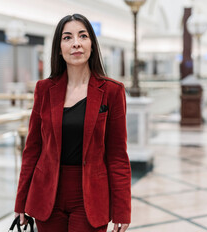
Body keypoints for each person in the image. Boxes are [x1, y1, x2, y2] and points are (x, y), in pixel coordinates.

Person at [14, 14, 131, 232]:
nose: (76, 43)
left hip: (90, 197)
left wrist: (122, 209)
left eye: (82, 36)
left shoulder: (112, 91)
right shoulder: (44, 89)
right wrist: (20, 201)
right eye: (67, 37)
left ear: (92, 45)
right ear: (59, 48)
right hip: (47, 196)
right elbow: (32, 148)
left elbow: (117, 156)